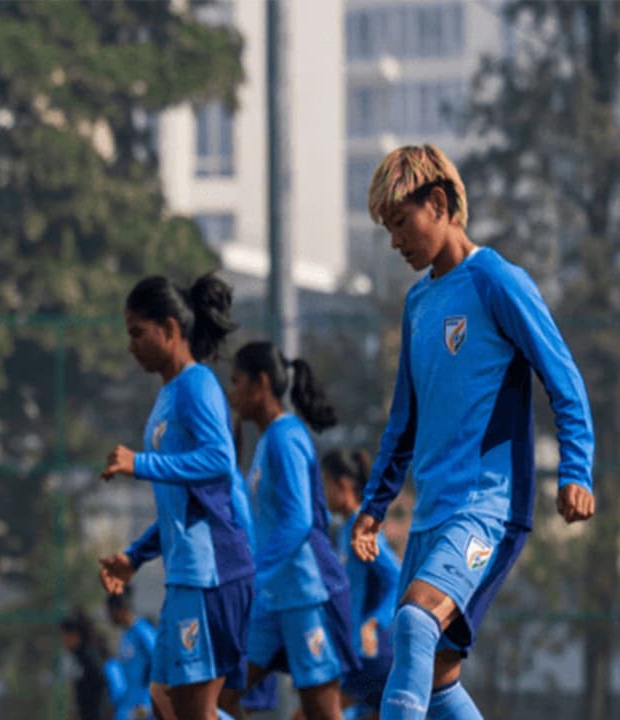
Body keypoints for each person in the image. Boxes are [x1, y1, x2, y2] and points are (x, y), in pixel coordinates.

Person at [353, 145, 594, 720]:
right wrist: (373, 506)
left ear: (437, 204)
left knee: (414, 621)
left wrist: (576, 469)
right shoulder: (417, 305)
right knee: (435, 679)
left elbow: (564, 378)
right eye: (387, 229)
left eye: (401, 223)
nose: (395, 242)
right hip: (433, 514)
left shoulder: (496, 281)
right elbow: (402, 423)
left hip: (487, 506)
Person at [96, 274, 254, 720]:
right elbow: (180, 505)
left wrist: (140, 463)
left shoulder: (197, 384)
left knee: (192, 709)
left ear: (169, 329)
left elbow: (219, 461)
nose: (131, 345)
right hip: (185, 573)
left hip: (212, 571)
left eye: (137, 333)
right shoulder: (168, 395)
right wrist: (134, 556)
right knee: (164, 700)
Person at [219, 341, 357, 720]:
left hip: (304, 596)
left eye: (237, 381)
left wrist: (253, 573)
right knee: (219, 697)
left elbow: (298, 521)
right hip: (271, 600)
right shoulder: (267, 442)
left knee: (322, 713)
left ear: (261, 383)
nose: (232, 394)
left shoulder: (286, 436)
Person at [322, 450, 400, 720]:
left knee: (313, 712)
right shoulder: (346, 530)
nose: (322, 493)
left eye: (324, 484)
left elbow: (397, 578)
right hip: (360, 656)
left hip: (371, 655)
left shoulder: (361, 527)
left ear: (342, 485)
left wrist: (374, 622)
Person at [104, 590, 156, 720]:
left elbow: (160, 661)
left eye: (111, 612)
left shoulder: (142, 631)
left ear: (121, 609)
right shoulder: (125, 636)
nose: (109, 617)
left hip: (144, 705)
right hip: (129, 704)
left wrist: (150, 703)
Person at [61, 613, 108, 720]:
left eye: (66, 636)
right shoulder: (78, 655)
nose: (64, 641)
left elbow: (100, 683)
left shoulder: (88, 656)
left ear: (76, 636)